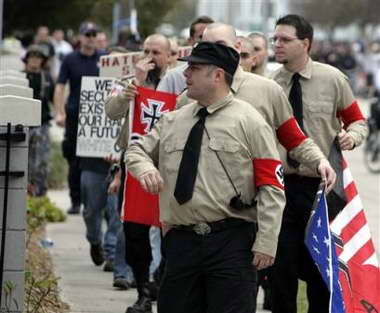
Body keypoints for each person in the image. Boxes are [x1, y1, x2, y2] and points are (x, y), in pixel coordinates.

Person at [126, 41, 286, 313]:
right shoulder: (173, 120)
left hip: (232, 243)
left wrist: (267, 242)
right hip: (181, 243)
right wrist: (145, 168)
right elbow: (136, 149)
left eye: (194, 68)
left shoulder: (250, 121)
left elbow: (271, 185)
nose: (185, 74)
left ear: (217, 75)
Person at [269, 14, 368, 313]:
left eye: (285, 40)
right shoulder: (270, 85)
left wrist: (352, 136)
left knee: (319, 272)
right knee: (281, 270)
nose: (278, 45)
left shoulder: (333, 79)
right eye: (275, 39)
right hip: (281, 188)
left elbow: (358, 121)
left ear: (306, 43)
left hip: (322, 190)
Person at [177, 23, 336, 190]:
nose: (214, 52)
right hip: (198, 199)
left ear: (237, 46)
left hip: (249, 203)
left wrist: (319, 161)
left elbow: (294, 139)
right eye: (206, 46)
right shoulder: (188, 98)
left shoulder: (267, 91)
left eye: (220, 45)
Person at [105, 33, 171, 313]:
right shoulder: (127, 82)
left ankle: (164, 284)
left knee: (171, 231)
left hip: (168, 166)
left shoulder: (182, 83)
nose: (151, 57)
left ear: (170, 56)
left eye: (157, 52)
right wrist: (135, 87)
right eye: (146, 51)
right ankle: (143, 289)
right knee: (134, 230)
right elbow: (111, 110)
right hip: (134, 164)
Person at [54, 21, 105, 215]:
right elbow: (60, 86)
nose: (90, 38)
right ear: (80, 37)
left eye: (93, 35)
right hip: (75, 117)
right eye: (87, 34)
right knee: (74, 161)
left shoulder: (105, 58)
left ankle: (94, 203)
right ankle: (75, 201)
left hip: (97, 119)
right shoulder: (69, 59)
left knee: (95, 162)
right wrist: (60, 112)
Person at [23, 44, 55, 197]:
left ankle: (40, 192)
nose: (35, 60)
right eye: (32, 57)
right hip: (23, 125)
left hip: (42, 123)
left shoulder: (47, 77)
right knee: (23, 158)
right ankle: (23, 191)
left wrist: (61, 113)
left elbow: (55, 97)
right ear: (27, 59)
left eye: (38, 57)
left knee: (42, 160)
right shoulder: (20, 77)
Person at [156, 15, 214, 95]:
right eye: (201, 37)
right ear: (190, 41)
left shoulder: (225, 75)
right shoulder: (173, 77)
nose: (207, 41)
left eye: (211, 37)